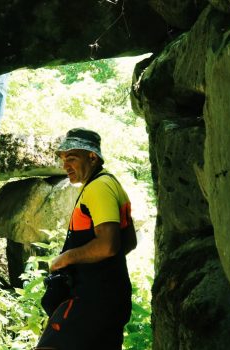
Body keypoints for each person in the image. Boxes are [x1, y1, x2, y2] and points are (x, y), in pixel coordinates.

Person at [35, 128, 137, 350]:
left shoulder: (98, 188)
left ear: (92, 157)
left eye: (72, 158)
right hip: (111, 299)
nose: (65, 166)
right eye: (63, 159)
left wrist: (64, 259)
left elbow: (108, 245)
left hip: (90, 301)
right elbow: (128, 243)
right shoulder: (110, 184)